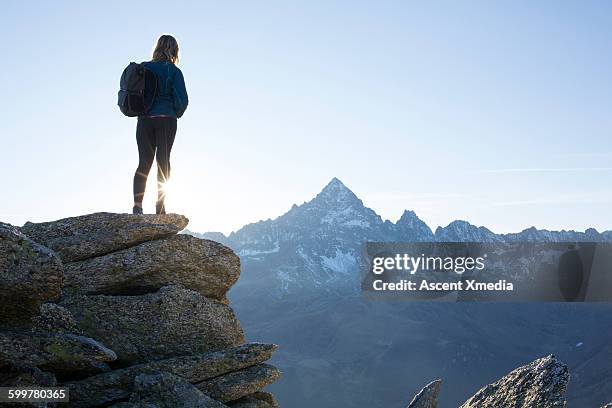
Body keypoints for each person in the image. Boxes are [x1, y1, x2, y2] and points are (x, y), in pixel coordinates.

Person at [133, 34, 188, 215]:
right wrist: (175, 112)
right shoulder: (174, 71)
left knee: (143, 163)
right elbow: (182, 100)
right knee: (163, 161)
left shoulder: (143, 68)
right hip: (166, 119)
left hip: (144, 120)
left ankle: (137, 206)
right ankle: (160, 206)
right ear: (174, 50)